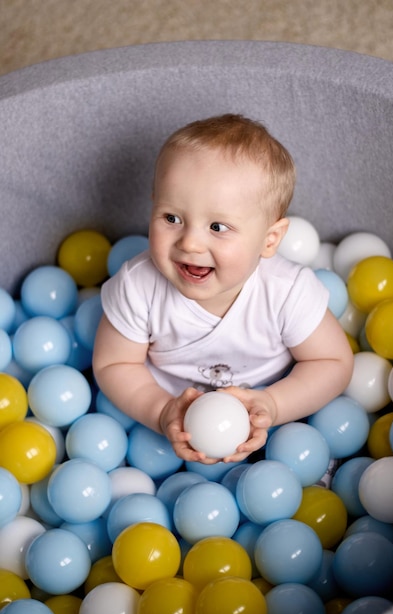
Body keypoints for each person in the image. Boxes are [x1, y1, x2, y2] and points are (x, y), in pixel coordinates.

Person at [92, 113, 354, 464]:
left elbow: (332, 361)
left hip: (274, 419)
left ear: (269, 239)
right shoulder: (137, 286)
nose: (191, 243)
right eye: (172, 218)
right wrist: (161, 412)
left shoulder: (287, 292)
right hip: (166, 420)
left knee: (312, 456)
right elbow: (115, 363)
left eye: (217, 226)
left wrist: (275, 405)